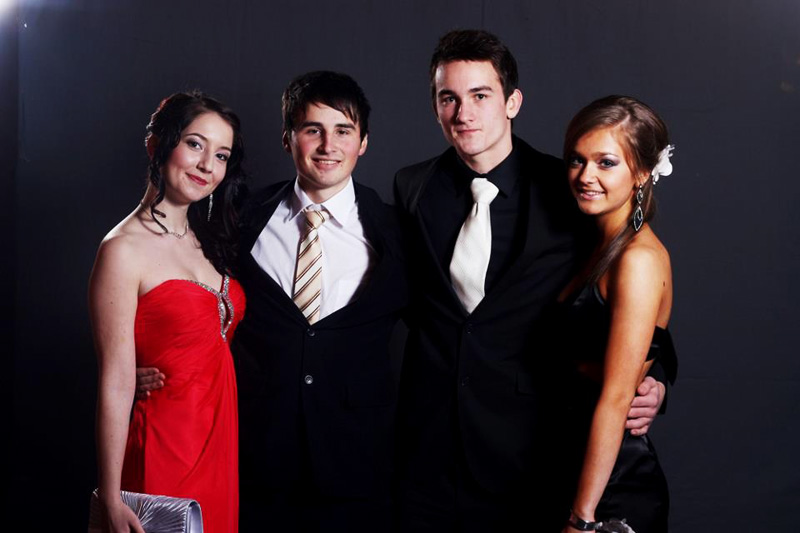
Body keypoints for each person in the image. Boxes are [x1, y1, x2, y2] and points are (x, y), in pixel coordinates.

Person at [392, 30, 670, 531]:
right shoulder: (412, 187)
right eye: (448, 98)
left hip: (529, 455)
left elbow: (627, 299)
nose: (464, 113)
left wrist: (653, 379)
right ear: (435, 106)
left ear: (512, 102)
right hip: (426, 453)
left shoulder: (571, 189)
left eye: (481, 95)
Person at [137, 72, 408, 532]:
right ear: (287, 139)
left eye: (343, 131)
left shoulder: (399, 231)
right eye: (312, 130)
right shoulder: (238, 218)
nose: (328, 146)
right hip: (254, 459)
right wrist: (135, 366)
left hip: (358, 466)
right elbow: (184, 297)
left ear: (363, 142)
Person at [90, 91, 247, 533]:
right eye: (195, 144)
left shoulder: (209, 240)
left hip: (218, 448)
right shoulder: (122, 250)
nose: (207, 165)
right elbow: (116, 380)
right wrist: (110, 496)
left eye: (221, 155)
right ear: (157, 144)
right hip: (164, 449)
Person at [558, 96, 676, 533]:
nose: (585, 176)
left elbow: (615, 398)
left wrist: (583, 518)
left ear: (642, 173)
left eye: (605, 163)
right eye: (577, 160)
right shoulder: (596, 244)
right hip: (568, 465)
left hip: (611, 488)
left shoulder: (638, 259)